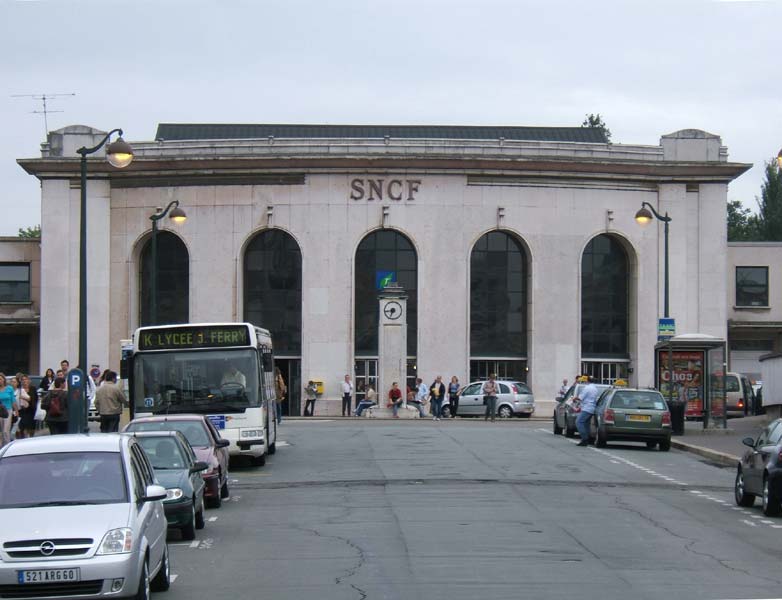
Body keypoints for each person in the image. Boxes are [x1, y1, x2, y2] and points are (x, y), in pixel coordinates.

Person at [574, 375, 600, 446]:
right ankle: (589, 439)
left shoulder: (587, 388)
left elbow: (580, 398)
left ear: (587, 380)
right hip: (592, 408)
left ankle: (584, 439)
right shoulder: (595, 388)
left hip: (586, 408)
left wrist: (574, 398)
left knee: (579, 422)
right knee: (586, 424)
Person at [15, 374, 37, 439]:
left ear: (29, 380)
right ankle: (22, 438)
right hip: (22, 410)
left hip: (31, 410)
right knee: (22, 426)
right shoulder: (20, 390)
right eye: (23, 380)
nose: (24, 381)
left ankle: (31, 438)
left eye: (26, 379)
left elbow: (34, 398)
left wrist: (24, 398)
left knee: (31, 427)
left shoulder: (33, 388)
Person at [0, 373, 14, 445]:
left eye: (0, 379)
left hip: (8, 410)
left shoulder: (9, 388)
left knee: (6, 430)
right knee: (1, 431)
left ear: (4, 380)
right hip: (0, 411)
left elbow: (13, 400)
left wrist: (16, 411)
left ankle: (7, 445)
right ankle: (2, 446)